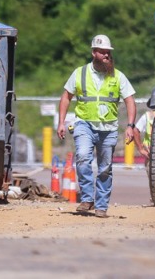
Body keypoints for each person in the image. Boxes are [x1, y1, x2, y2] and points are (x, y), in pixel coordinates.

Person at [56, 34, 136, 218]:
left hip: (108, 129)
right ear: (94, 53)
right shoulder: (79, 73)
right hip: (84, 124)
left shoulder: (118, 76)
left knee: (105, 168)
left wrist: (130, 126)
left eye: (108, 52)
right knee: (83, 158)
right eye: (102, 52)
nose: (107, 55)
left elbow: (130, 101)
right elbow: (66, 97)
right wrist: (62, 122)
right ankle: (87, 198)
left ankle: (101, 206)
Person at [132, 88, 155, 160]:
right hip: (153, 154)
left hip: (151, 154)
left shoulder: (148, 116)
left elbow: (135, 130)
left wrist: (140, 149)